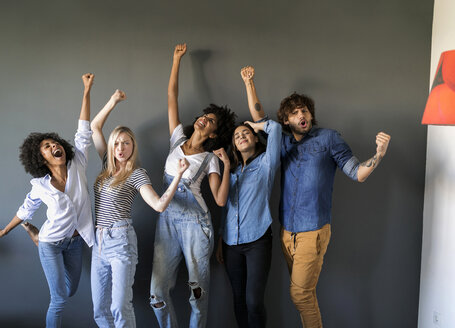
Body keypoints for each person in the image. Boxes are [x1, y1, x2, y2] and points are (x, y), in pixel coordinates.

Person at [243, 67, 391, 328]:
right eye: (295, 112)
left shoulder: (329, 138)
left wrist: (379, 153)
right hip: (287, 232)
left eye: (305, 110)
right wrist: (249, 82)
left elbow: (357, 173)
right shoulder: (284, 142)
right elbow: (262, 120)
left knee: (299, 294)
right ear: (287, 120)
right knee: (306, 295)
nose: (302, 114)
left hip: (314, 231)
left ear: (310, 115)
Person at [0, 73, 96, 328]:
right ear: (42, 161)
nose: (53, 147)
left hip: (75, 242)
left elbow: (83, 130)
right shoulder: (40, 186)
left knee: (70, 292)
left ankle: (35, 236)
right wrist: (5, 230)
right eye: (46, 148)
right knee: (59, 299)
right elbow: (26, 208)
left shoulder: (78, 164)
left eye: (54, 143)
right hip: (51, 243)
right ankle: (38, 237)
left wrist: (86, 90)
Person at [149, 43, 236, 328]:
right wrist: (177, 59)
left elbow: (220, 200)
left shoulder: (210, 158)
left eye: (210, 120)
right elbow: (172, 96)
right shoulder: (177, 140)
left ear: (214, 132)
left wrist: (226, 166)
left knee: (197, 293)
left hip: (196, 225)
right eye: (204, 115)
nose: (203, 118)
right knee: (157, 294)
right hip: (167, 221)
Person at [90, 89, 190, 328]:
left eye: (126, 142)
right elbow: (94, 127)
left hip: (120, 241)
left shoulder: (136, 174)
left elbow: (158, 204)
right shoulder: (106, 166)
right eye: (117, 143)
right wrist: (112, 101)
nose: (121, 147)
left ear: (133, 146)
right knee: (99, 310)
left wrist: (178, 176)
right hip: (99, 242)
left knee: (119, 306)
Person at [214, 66, 282, 328]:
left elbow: (274, 129)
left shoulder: (266, 163)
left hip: (258, 241)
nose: (241, 136)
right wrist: (221, 237)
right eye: (237, 135)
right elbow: (225, 208)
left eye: (246, 133)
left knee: (254, 302)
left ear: (254, 138)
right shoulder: (230, 172)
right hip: (231, 242)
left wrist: (252, 123)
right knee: (238, 301)